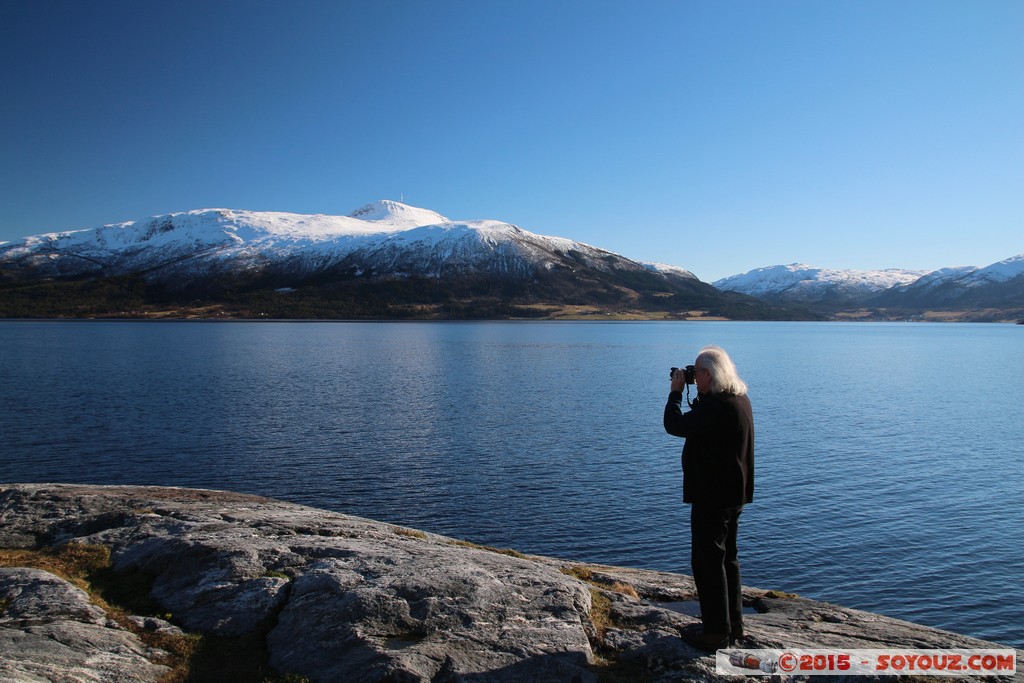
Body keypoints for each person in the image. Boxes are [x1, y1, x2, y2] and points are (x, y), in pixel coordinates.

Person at [663, 345, 754, 651]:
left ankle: (715, 633)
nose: (692, 377)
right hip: (733, 493)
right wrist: (695, 389)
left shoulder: (715, 407)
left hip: (713, 495)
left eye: (696, 372)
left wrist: (676, 392)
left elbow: (674, 425)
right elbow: (705, 425)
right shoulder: (737, 399)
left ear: (711, 374)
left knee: (707, 561)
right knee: (727, 558)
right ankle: (733, 626)